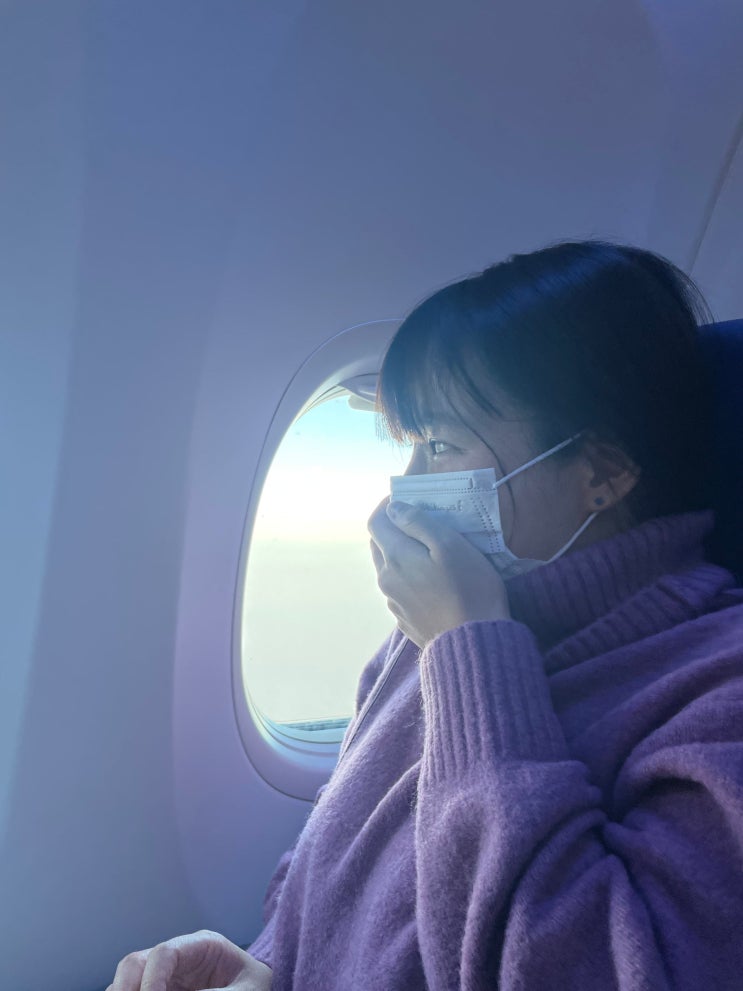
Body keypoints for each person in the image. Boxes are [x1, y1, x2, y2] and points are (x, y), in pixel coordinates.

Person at [108, 240, 743, 991]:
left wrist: (471, 649)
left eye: (438, 445)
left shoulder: (715, 691)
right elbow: (333, 862)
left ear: (602, 473)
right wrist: (267, 964)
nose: (401, 492)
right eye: (407, 448)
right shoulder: (430, 631)